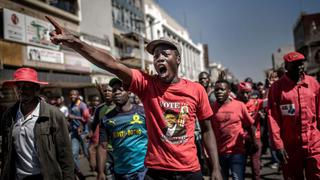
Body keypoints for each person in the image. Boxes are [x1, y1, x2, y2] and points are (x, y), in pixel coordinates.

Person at [46, 16, 222, 180]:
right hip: (157, 171)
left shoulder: (196, 90)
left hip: (190, 171)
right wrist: (75, 42)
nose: (159, 58)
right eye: (155, 56)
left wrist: (215, 168)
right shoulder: (146, 85)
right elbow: (111, 64)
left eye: (165, 54)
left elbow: (207, 130)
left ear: (178, 59)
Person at [0, 67, 74, 180]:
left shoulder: (53, 115)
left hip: (45, 176)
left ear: (36, 89)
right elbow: (6, 151)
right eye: (18, 87)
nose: (21, 91)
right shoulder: (8, 115)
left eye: (26, 87)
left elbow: (65, 153)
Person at [268, 52, 320, 179]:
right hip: (290, 145)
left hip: (314, 142)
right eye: (295, 65)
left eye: (301, 64)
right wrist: (278, 145)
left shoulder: (313, 83)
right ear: (286, 66)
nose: (299, 67)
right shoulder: (277, 88)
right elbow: (273, 118)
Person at [97, 78, 148, 180]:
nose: (117, 93)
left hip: (144, 169)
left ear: (129, 92)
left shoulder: (143, 112)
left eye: (120, 89)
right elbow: (102, 147)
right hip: (120, 172)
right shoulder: (106, 119)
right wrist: (100, 172)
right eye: (114, 90)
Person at [211, 79, 258, 180]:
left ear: (229, 91)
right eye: (216, 90)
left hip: (237, 152)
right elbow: (209, 132)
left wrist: (254, 142)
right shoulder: (211, 108)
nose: (219, 92)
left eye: (222, 89)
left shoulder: (239, 105)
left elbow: (249, 126)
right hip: (219, 153)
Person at [237, 82, 263, 180]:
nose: (245, 95)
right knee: (240, 165)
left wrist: (272, 86)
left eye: (247, 92)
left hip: (255, 137)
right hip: (240, 139)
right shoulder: (235, 103)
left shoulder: (257, 102)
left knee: (255, 164)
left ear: (251, 92)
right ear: (239, 93)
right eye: (242, 93)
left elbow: (272, 99)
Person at [89, 83, 115, 176]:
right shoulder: (99, 109)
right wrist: (91, 133)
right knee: (108, 175)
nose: (107, 93)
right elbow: (94, 123)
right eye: (105, 91)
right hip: (105, 149)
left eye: (109, 91)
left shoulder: (119, 107)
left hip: (119, 148)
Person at [68, 89, 90, 179]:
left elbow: (86, 117)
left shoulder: (82, 105)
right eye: (71, 95)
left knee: (87, 152)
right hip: (74, 132)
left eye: (74, 95)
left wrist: (75, 117)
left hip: (83, 132)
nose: (72, 96)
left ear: (78, 95)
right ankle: (78, 172)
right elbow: (70, 118)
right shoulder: (70, 105)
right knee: (74, 154)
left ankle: (96, 167)